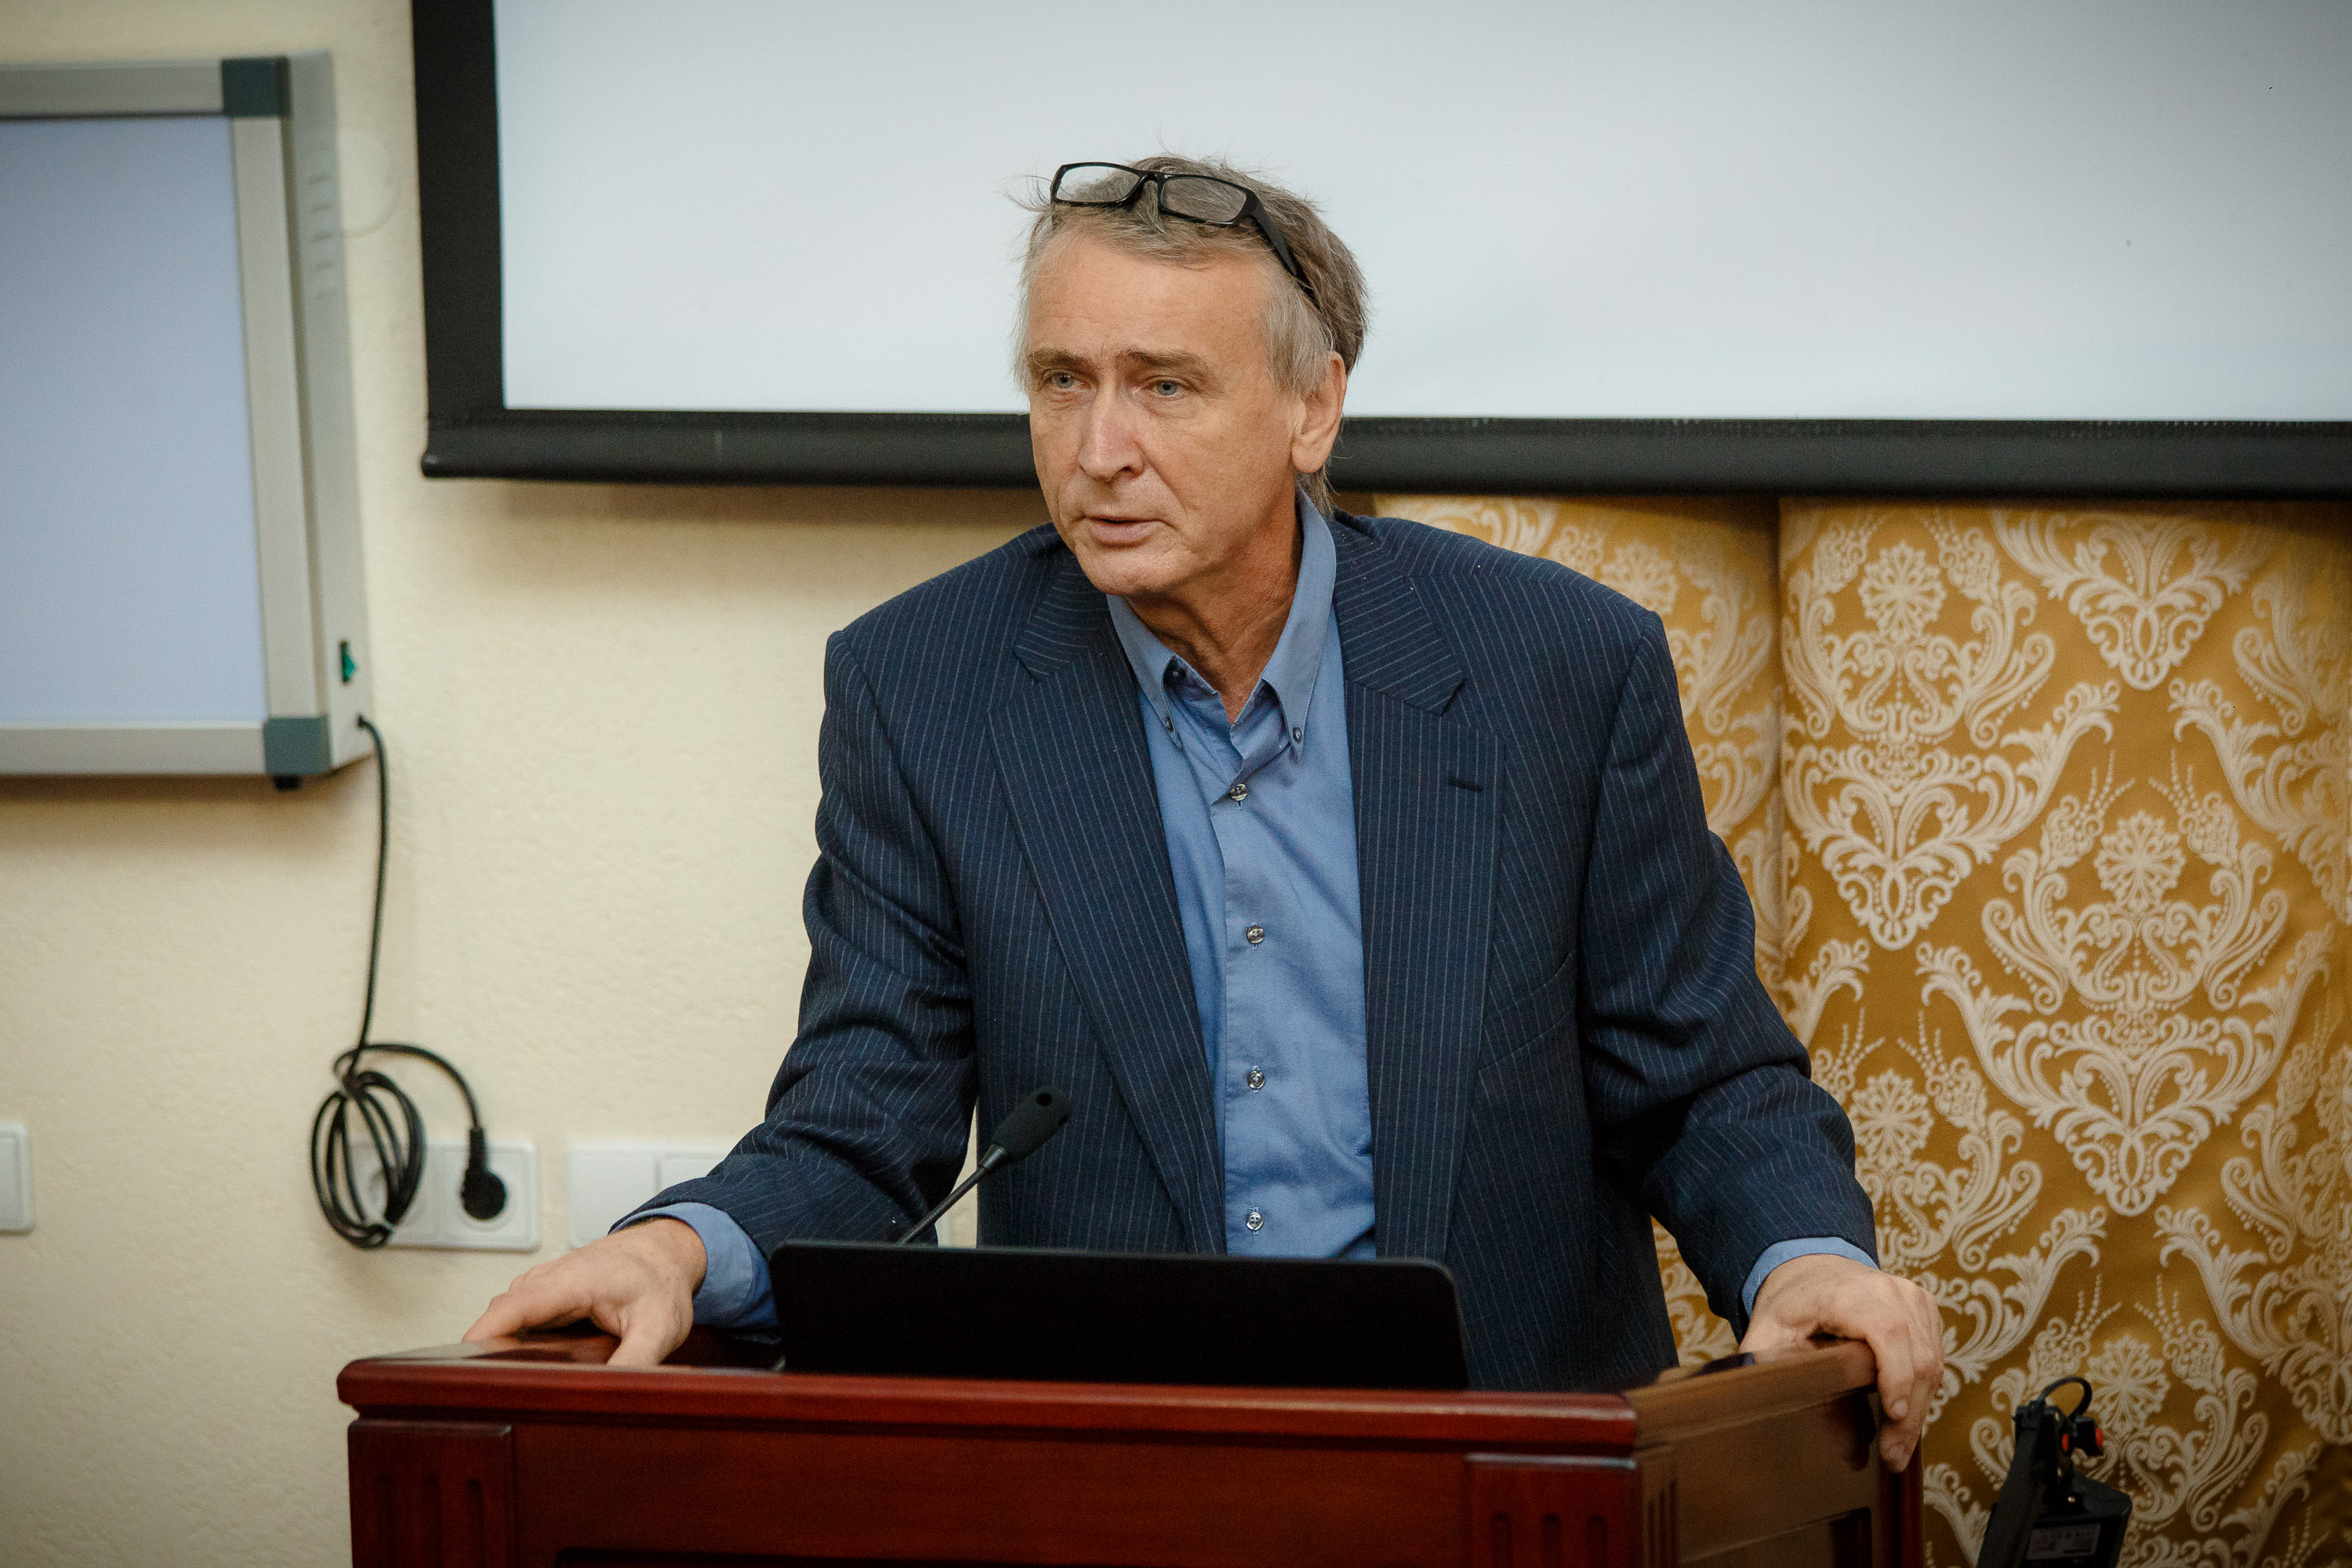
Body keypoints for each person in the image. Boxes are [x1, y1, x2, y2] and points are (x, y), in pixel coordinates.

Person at [469, 155, 1943, 1468]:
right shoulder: (923, 691)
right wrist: (676, 1249)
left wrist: (1803, 1261)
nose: (1098, 447)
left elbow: (1701, 1080)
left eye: (1164, 386)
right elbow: (866, 1121)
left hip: (1509, 1468)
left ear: (1314, 409)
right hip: (1120, 1474)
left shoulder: (1556, 668)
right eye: (1062, 381)